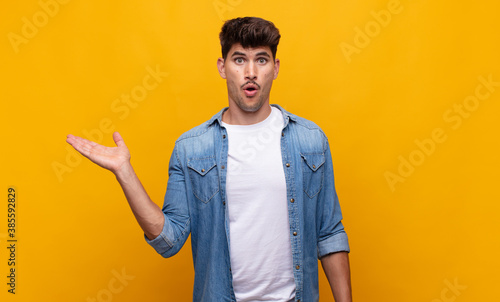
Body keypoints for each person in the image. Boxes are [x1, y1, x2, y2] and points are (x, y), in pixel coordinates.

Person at [67, 17, 352, 302]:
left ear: (275, 69)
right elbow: (168, 240)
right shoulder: (192, 149)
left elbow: (329, 233)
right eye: (239, 60)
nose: (250, 72)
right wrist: (124, 172)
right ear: (222, 67)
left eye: (261, 60)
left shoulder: (310, 140)